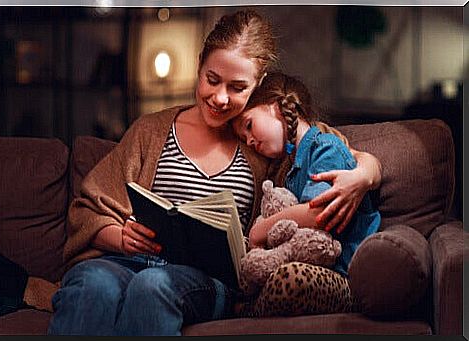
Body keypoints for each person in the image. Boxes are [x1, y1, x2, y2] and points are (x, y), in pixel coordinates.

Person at [48, 10, 381, 336]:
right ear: (199, 67)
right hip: (125, 263)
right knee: (91, 283)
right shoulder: (150, 130)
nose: (220, 98)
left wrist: (366, 174)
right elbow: (89, 208)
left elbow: (338, 151)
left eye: (237, 87)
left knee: (153, 286)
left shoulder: (264, 139)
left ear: (260, 84)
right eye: (212, 80)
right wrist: (118, 235)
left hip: (204, 281)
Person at [232, 71, 381, 316]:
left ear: (276, 106)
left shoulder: (325, 147)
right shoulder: (288, 170)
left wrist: (262, 228)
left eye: (249, 125)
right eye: (243, 137)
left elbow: (320, 212)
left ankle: (250, 310)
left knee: (289, 278)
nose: (249, 140)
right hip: (309, 266)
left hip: (343, 275)